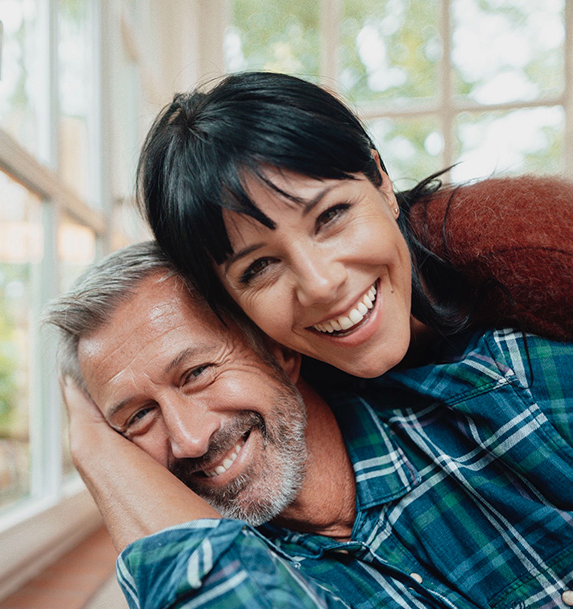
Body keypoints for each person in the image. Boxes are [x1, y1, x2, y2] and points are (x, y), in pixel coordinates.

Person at [45, 242, 573, 609]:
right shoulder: (241, 588)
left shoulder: (505, 389)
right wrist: (93, 449)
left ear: (279, 350)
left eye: (197, 372)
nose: (189, 438)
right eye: (138, 417)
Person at [137, 70, 573, 380]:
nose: (321, 283)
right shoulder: (268, 372)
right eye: (258, 267)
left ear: (382, 183)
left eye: (330, 216)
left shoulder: (523, 243)